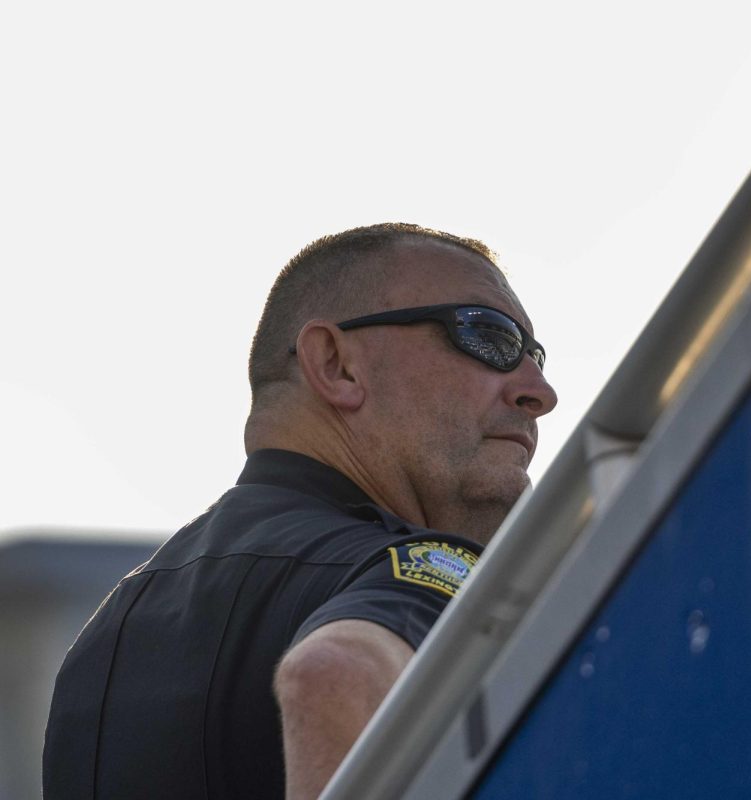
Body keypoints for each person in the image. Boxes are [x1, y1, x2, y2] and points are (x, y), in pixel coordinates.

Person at [42, 223, 558, 799]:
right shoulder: (422, 568)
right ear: (336, 364)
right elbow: (336, 672)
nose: (539, 391)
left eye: (535, 356)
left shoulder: (103, 640)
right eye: (488, 336)